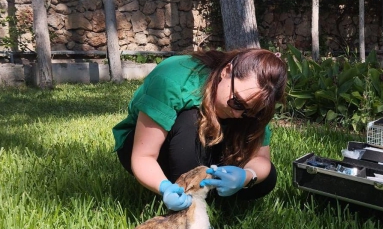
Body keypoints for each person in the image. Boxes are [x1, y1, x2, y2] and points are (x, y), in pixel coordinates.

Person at [113, 48, 287, 211]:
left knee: (265, 180)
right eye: (237, 102)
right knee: (191, 119)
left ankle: (208, 196)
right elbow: (143, 156)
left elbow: (262, 160)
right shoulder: (173, 77)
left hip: (206, 151)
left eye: (250, 112)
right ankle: (188, 200)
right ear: (227, 71)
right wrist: (164, 188)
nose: (237, 113)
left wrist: (245, 176)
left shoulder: (256, 103)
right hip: (149, 150)